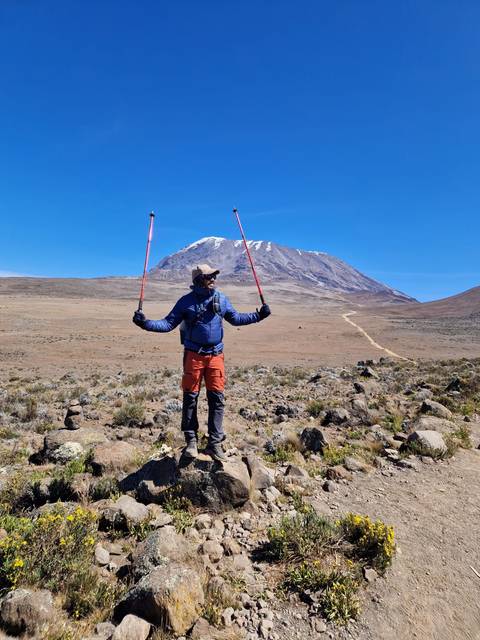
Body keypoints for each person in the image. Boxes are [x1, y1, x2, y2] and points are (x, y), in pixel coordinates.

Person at [132, 264, 271, 461]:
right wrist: (145, 323)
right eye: (209, 276)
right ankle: (191, 441)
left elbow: (236, 318)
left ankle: (215, 443)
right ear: (198, 280)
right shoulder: (185, 302)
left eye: (214, 275)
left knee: (217, 398)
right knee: (190, 398)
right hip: (193, 355)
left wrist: (258, 316)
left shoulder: (221, 299)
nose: (213, 279)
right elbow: (167, 323)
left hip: (216, 355)